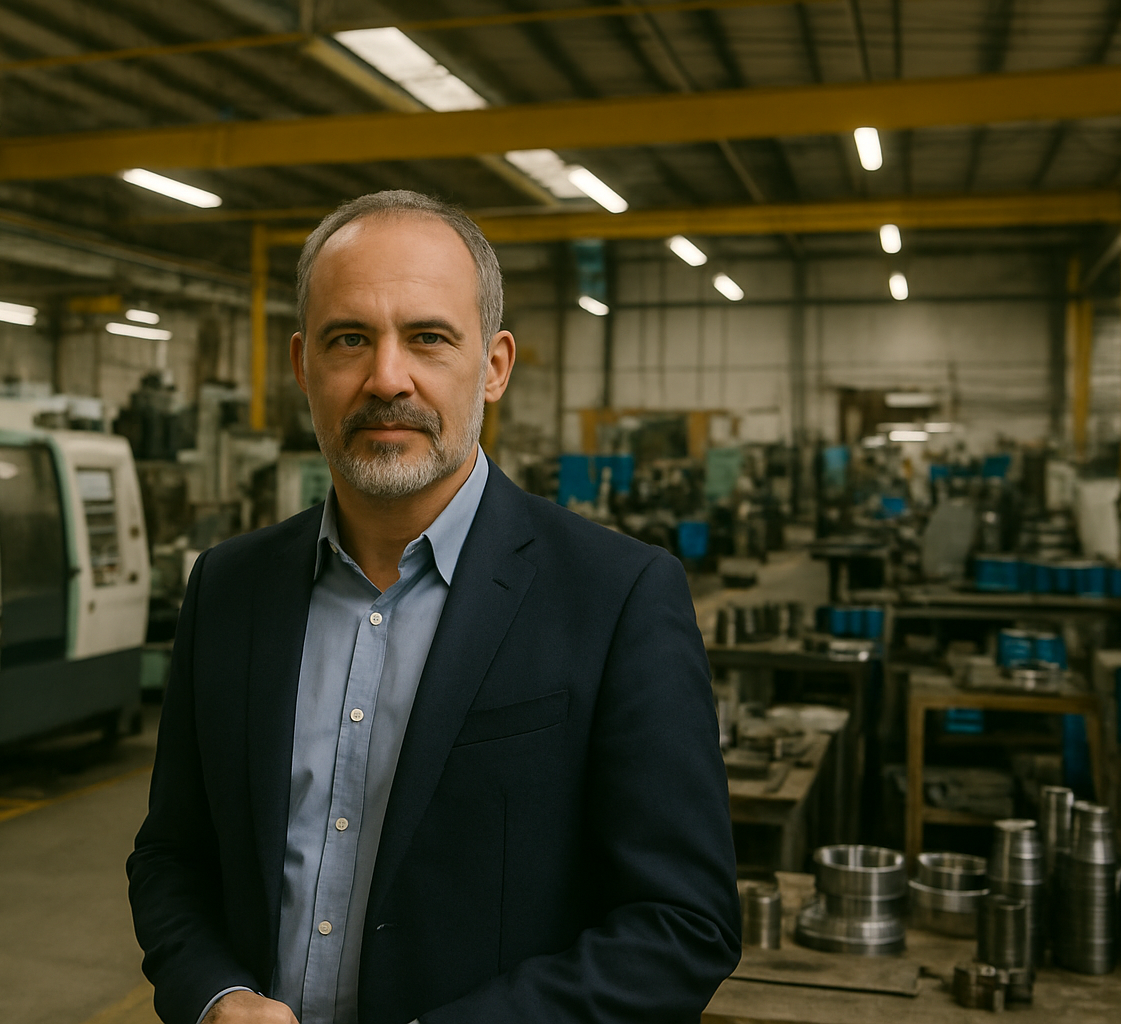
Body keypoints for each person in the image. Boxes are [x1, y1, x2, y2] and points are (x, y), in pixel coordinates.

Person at [127, 190, 739, 1024]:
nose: (387, 378)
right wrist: (215, 995)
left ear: (492, 366)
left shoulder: (617, 597)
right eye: (351, 339)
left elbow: (681, 924)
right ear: (304, 365)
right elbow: (172, 855)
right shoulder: (228, 590)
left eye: (428, 338)